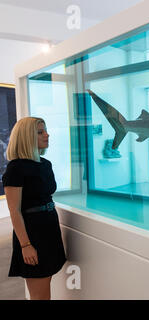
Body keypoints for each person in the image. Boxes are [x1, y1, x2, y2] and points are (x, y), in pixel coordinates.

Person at [2, 117, 66, 300]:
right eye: (40, 132)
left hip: (50, 229)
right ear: (26, 137)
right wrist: (26, 245)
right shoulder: (16, 168)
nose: (47, 134)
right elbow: (15, 211)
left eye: (45, 130)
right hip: (33, 234)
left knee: (46, 285)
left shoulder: (45, 164)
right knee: (40, 295)